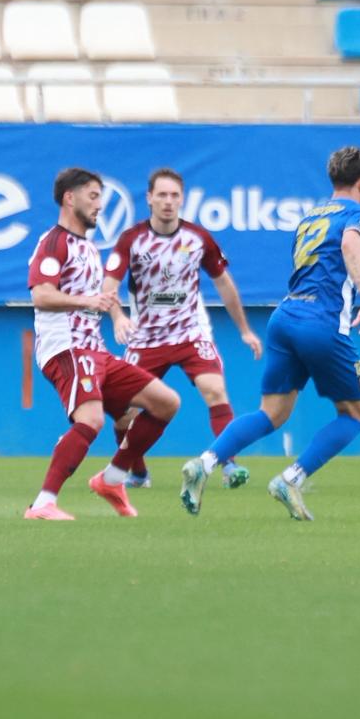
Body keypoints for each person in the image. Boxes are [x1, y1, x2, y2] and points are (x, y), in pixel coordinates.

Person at [179, 147, 360, 522]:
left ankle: (204, 463)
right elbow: (350, 244)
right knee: (357, 414)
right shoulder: (359, 215)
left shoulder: (311, 217)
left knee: (271, 412)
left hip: (285, 317)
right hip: (322, 322)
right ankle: (291, 479)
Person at [24, 167, 181, 521]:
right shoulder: (55, 242)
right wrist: (86, 301)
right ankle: (43, 504)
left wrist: (114, 313)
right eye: (93, 196)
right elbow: (42, 295)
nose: (99, 205)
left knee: (166, 403)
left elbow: (95, 299)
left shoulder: (89, 247)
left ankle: (112, 479)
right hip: (67, 348)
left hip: (95, 350)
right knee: (91, 419)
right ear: (70, 198)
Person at [104, 167, 263, 491]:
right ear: (149, 198)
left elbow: (224, 283)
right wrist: (118, 317)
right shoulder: (132, 240)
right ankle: (137, 473)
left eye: (174, 195)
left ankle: (229, 465)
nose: (168, 201)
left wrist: (245, 330)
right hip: (146, 339)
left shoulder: (197, 238)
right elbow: (108, 286)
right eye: (162, 195)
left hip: (190, 333)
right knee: (123, 412)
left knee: (215, 390)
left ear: (182, 199)